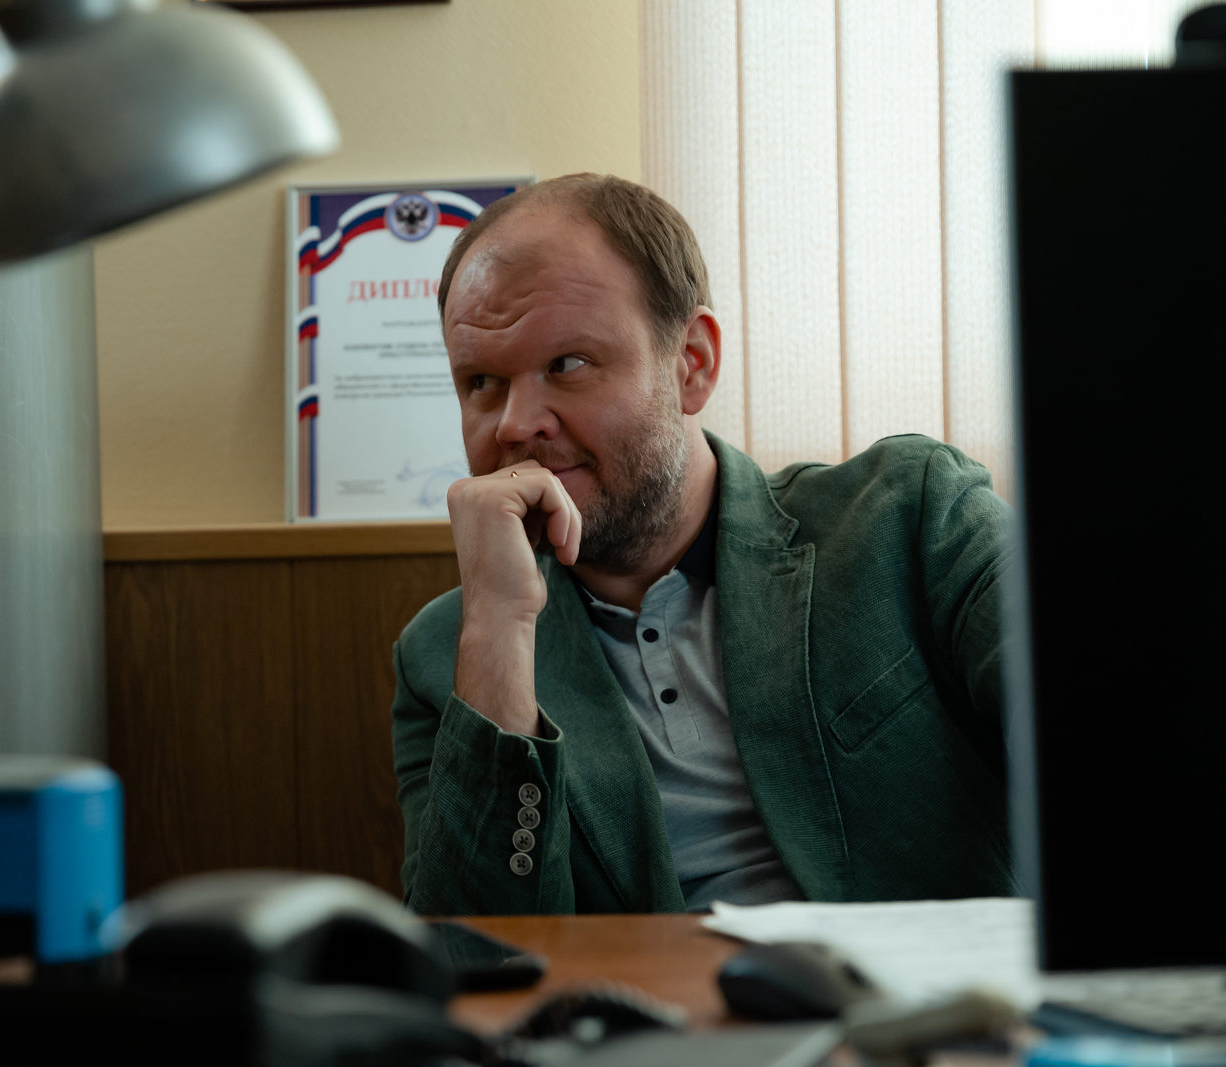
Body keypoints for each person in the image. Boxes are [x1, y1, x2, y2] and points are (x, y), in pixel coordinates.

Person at [390, 173, 1015, 915]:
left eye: (567, 364)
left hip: (921, 988)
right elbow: (469, 948)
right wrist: (498, 627)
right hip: (647, 995)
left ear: (692, 362)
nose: (516, 423)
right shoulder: (448, 656)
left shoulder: (908, 516)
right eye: (482, 383)